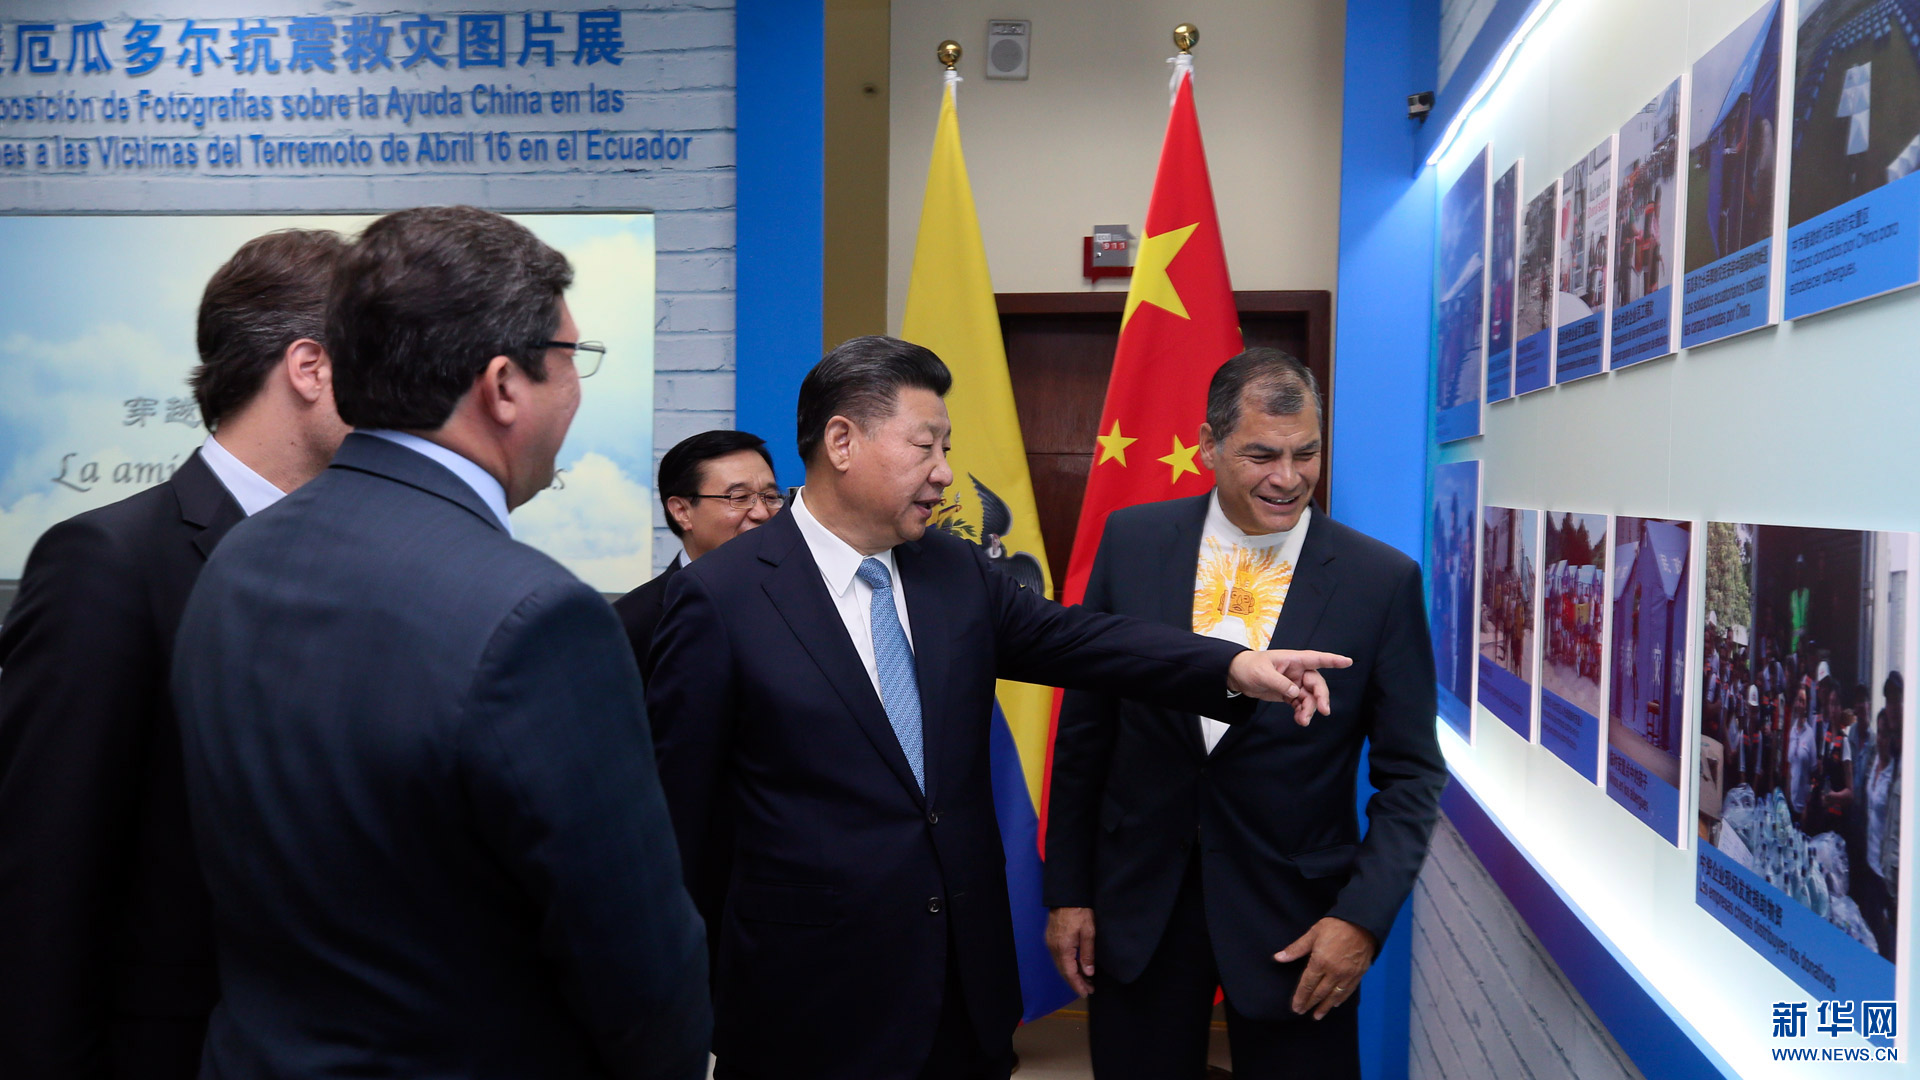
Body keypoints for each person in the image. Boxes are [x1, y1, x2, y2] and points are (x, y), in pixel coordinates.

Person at [646, 335, 1347, 1080]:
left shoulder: (952, 568)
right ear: (842, 442)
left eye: (946, 448)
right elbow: (679, 826)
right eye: (925, 446)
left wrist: (1231, 666)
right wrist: (691, 997)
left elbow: (1080, 640)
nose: (945, 472)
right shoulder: (720, 597)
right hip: (804, 1001)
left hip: (963, 992)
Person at [170, 206, 709, 1079]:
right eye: (570, 358)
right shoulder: (538, 618)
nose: (577, 387)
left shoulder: (237, 558)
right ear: (503, 386)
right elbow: (640, 973)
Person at [0, 229, 351, 1080]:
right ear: (310, 368)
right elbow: (46, 874)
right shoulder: (106, 561)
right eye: (386, 354)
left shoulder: (368, 558)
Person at [1042, 348, 1447, 1080]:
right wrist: (1069, 892)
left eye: (1306, 454)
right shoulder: (1132, 542)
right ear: (1208, 445)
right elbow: (1086, 732)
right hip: (1138, 909)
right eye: (1262, 455)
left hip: (1298, 922)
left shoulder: (1380, 581)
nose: (1287, 478)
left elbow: (1412, 774)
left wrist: (1361, 918)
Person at [615, 429, 781, 682]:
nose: (761, 513)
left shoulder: (805, 599)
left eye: (770, 497)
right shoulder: (630, 624)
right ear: (682, 511)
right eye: (740, 497)